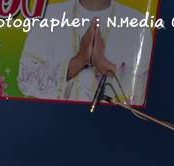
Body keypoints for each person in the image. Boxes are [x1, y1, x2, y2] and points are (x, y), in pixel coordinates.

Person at [17, 0, 154, 105]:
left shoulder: (138, 24)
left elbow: (143, 95)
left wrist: (103, 64)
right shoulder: (49, 15)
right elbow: (25, 80)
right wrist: (78, 61)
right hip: (55, 121)